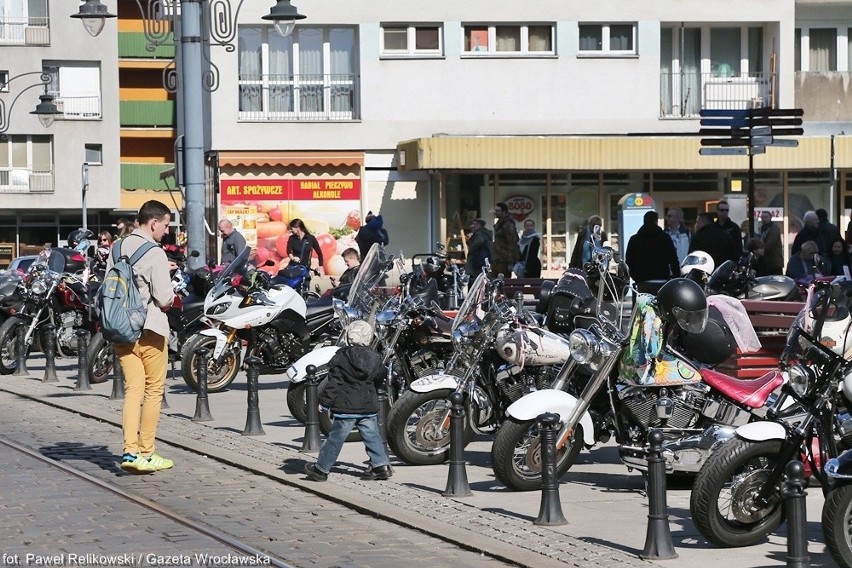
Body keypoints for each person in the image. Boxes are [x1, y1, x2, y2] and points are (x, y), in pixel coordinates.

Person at [115, 200, 175, 474]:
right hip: (148, 329)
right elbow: (163, 298)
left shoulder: (117, 247)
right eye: (165, 225)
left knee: (132, 390)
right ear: (153, 223)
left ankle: (129, 451)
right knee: (153, 391)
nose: (166, 231)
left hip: (120, 329)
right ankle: (147, 452)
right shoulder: (155, 252)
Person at [304, 320, 392, 482]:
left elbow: (334, 384)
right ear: (369, 338)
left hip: (347, 407)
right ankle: (381, 466)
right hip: (368, 405)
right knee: (372, 436)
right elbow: (380, 378)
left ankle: (321, 469)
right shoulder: (375, 357)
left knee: (335, 439)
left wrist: (325, 403)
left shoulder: (341, 357)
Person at [625, 210, 680, 285]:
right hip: (662, 278)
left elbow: (629, 261)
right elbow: (673, 259)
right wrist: (676, 277)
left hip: (642, 280)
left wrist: (635, 277)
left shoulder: (635, 239)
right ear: (656, 221)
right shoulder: (665, 238)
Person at [489, 202, 519, 278]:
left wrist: (510, 262)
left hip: (504, 260)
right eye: (495, 210)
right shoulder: (499, 223)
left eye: (498, 211)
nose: (496, 213)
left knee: (504, 282)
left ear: (504, 211)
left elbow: (512, 243)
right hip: (496, 259)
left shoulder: (508, 224)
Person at [757, 210, 784, 276]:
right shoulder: (763, 229)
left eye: (765, 217)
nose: (763, 219)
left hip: (774, 261)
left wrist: (760, 251)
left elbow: (770, 243)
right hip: (766, 261)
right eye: (762, 217)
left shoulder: (774, 228)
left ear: (770, 217)